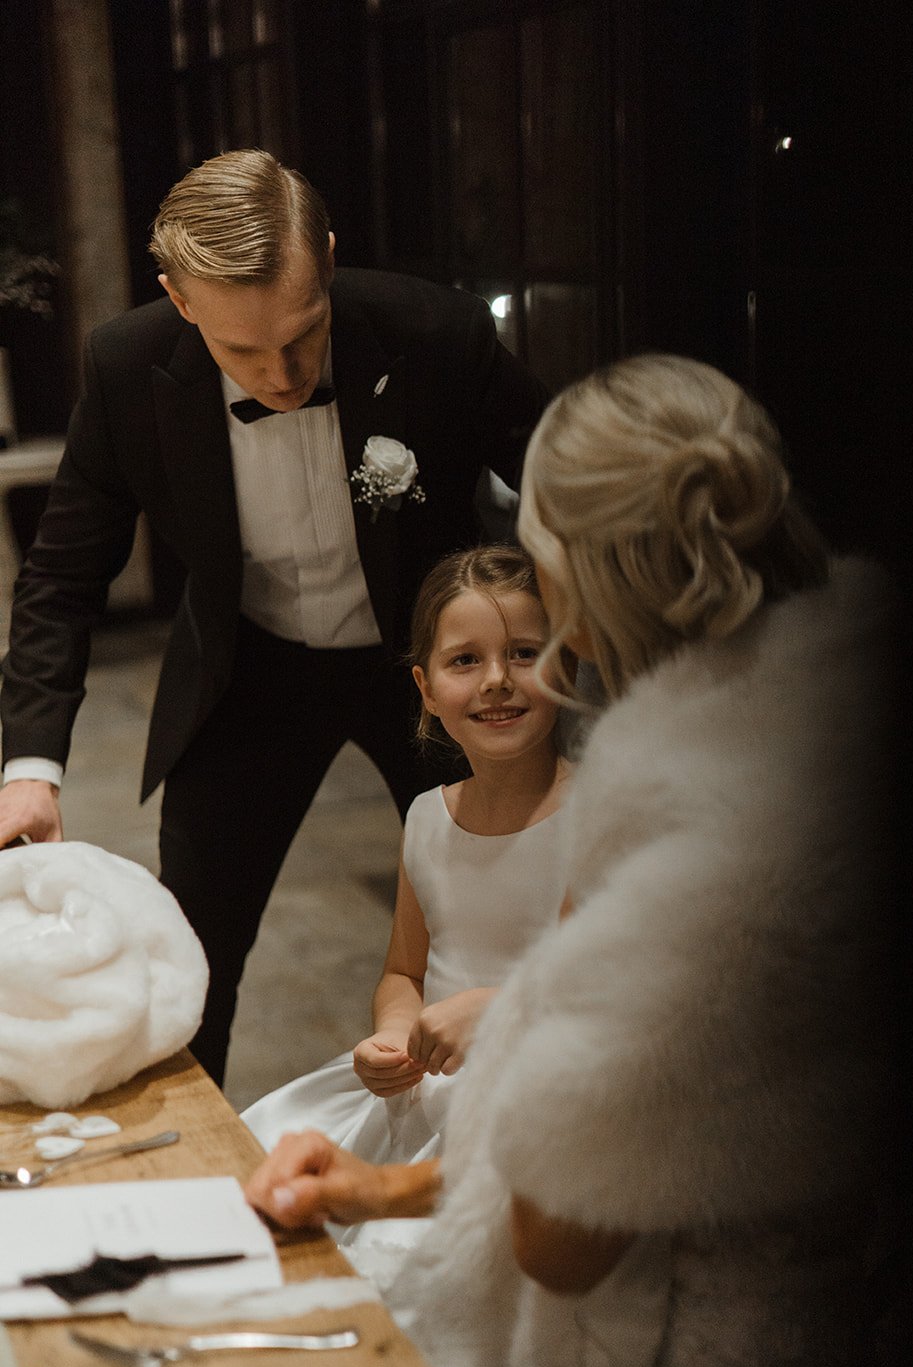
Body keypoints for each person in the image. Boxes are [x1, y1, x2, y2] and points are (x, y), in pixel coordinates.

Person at [244, 354, 901, 1367]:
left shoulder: (694, 856)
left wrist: (512, 1044)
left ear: (589, 585)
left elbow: (561, 1230)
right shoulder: (848, 722)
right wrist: (383, 1185)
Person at [0, 149, 545, 1086]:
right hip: (248, 669)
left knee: (499, 924)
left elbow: (569, 486)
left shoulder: (434, 330)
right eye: (242, 353)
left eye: (302, 334)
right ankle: (192, 1158)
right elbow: (60, 577)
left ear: (326, 258)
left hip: (430, 671)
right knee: (189, 952)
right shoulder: (126, 365)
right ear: (179, 302)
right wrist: (29, 770)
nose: (283, 376)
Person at [243, 544, 570, 1287]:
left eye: (524, 653)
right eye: (465, 661)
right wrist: (395, 1032)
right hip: (428, 1095)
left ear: (568, 664)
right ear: (425, 688)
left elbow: (617, 991)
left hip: (533, 1101)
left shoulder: (598, 811)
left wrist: (501, 1009)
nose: (496, 680)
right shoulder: (427, 819)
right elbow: (404, 970)